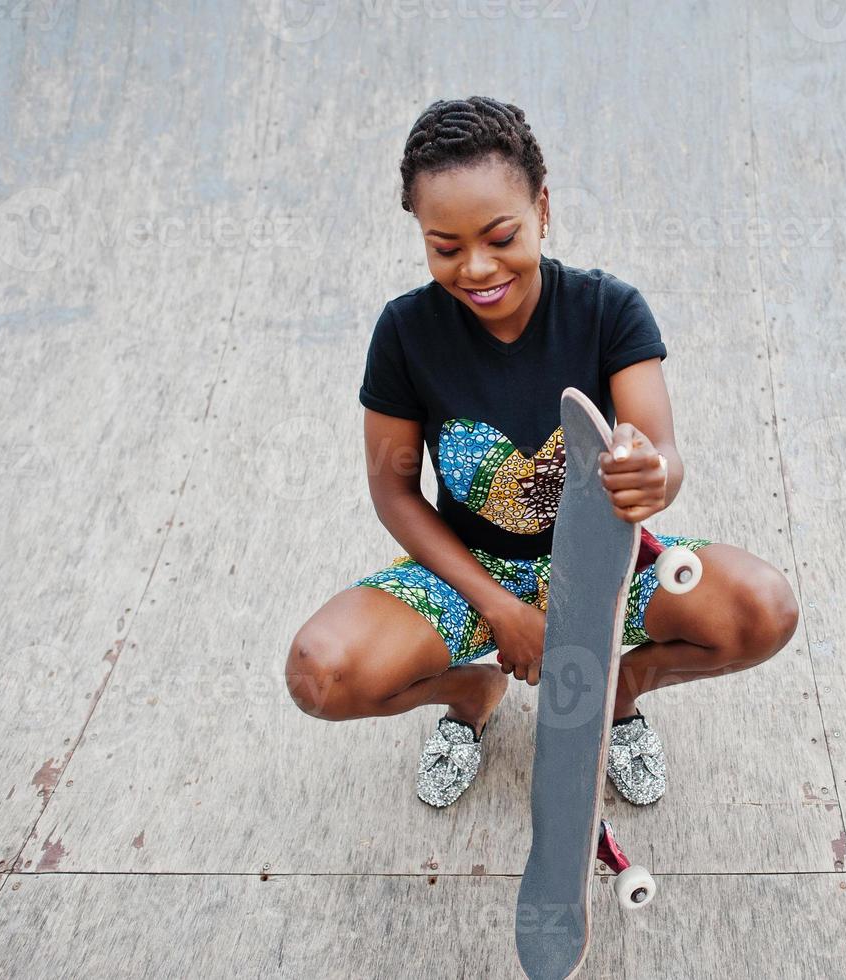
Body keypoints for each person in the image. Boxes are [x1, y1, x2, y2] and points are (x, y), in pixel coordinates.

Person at [284, 96, 799, 809]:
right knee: (321, 675)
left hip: (600, 562)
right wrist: (500, 609)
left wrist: (650, 474)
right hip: (470, 573)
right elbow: (394, 492)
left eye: (500, 236)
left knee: (762, 609)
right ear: (421, 236)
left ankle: (617, 694)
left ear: (543, 209)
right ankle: (471, 693)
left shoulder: (606, 310)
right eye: (445, 246)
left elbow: (662, 452)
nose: (476, 267)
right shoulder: (405, 333)